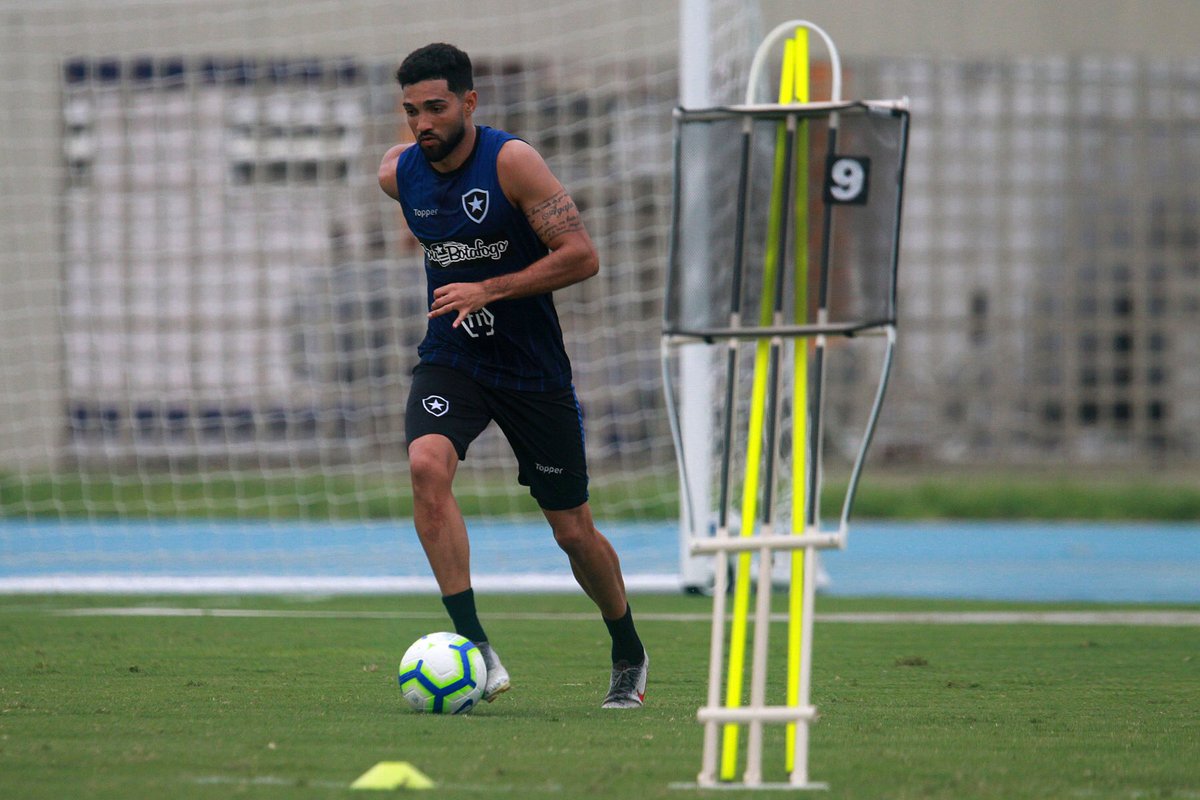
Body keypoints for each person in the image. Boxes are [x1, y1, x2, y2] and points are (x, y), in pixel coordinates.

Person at [378, 42, 647, 708]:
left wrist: (488, 288)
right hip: (454, 358)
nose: (423, 124)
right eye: (411, 111)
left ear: (469, 102)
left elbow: (582, 256)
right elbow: (405, 168)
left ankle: (628, 649)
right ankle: (476, 647)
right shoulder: (397, 172)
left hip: (532, 371)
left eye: (436, 107)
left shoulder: (513, 161)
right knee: (424, 467)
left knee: (572, 530)